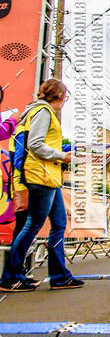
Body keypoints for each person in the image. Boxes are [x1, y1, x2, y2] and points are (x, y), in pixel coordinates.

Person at [0, 78, 83, 291]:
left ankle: (59, 276)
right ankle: (10, 277)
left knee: (59, 223)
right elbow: (35, 144)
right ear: (60, 96)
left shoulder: (37, 111)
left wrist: (64, 152)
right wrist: (62, 156)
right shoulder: (44, 112)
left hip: (49, 177)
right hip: (41, 176)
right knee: (32, 226)